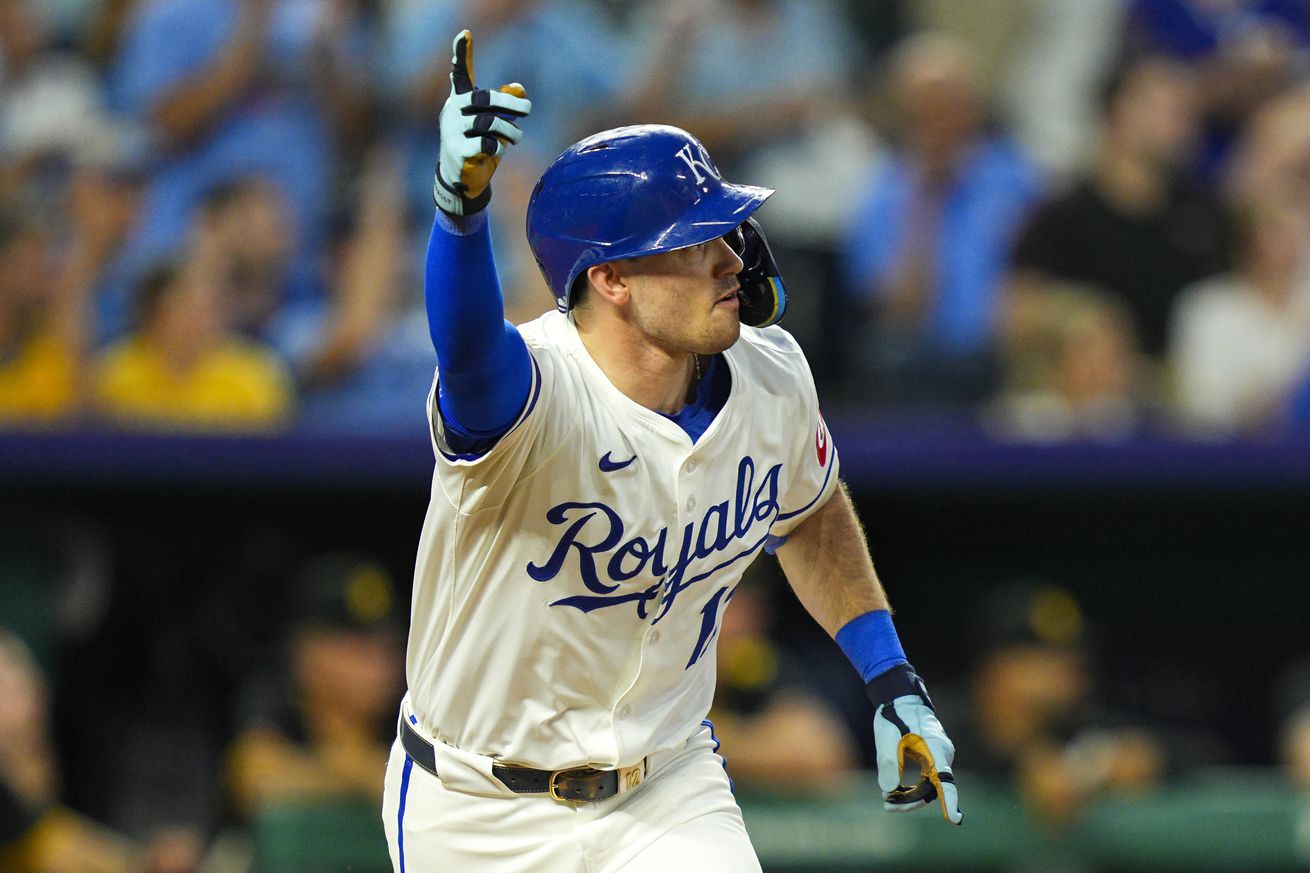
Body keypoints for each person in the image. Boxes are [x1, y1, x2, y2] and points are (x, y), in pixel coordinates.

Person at [380, 31, 962, 873]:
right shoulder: (534, 392)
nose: (730, 258)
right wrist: (459, 215)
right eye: (693, 241)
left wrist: (891, 675)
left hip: (665, 786)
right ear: (611, 279)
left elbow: (810, 511)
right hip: (478, 807)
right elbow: (468, 350)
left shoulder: (770, 372)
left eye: (726, 228)